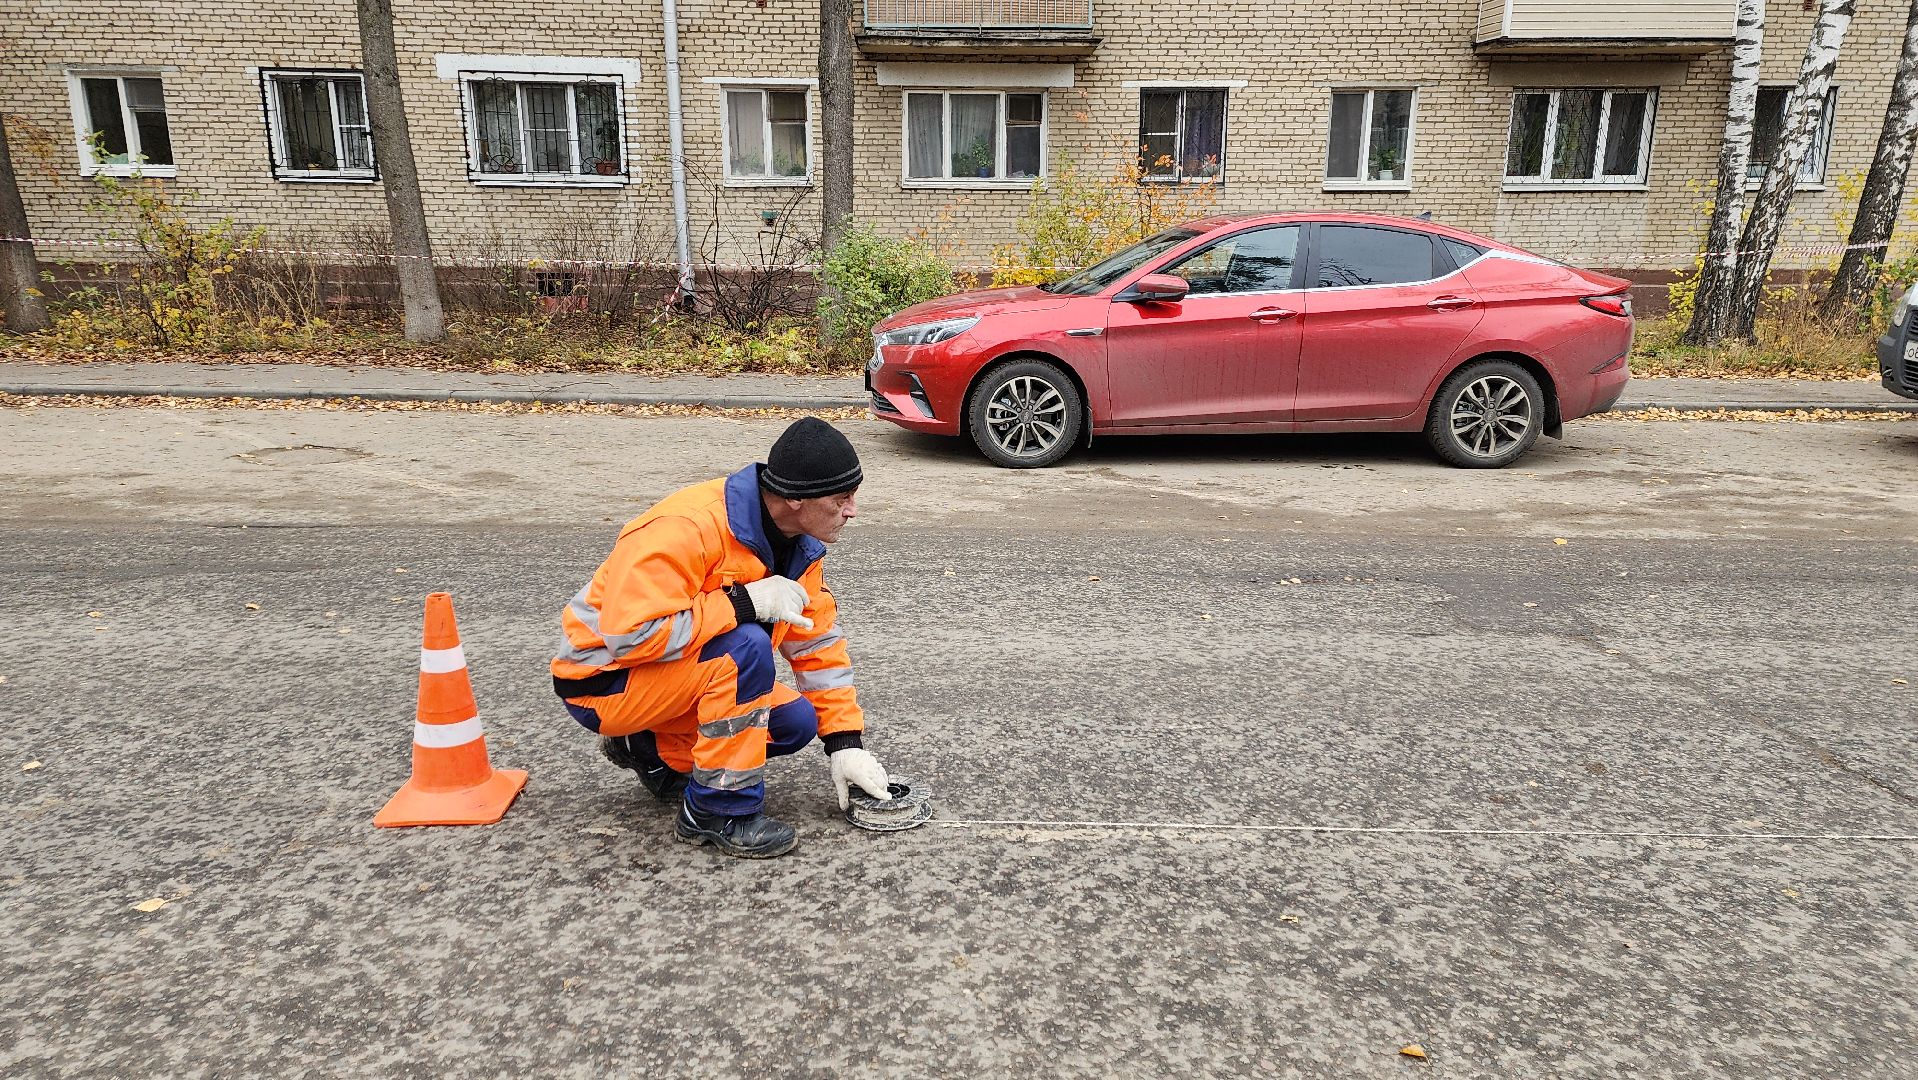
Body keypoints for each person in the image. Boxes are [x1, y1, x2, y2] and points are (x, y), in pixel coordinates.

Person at [550, 417, 891, 858]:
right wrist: (742, 603)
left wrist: (845, 743)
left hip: (664, 681)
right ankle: (716, 812)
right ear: (793, 498)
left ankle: (647, 747)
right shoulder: (687, 527)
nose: (852, 510)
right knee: (746, 649)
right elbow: (630, 637)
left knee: (795, 722)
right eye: (840, 498)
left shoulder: (799, 544)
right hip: (602, 682)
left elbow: (816, 645)